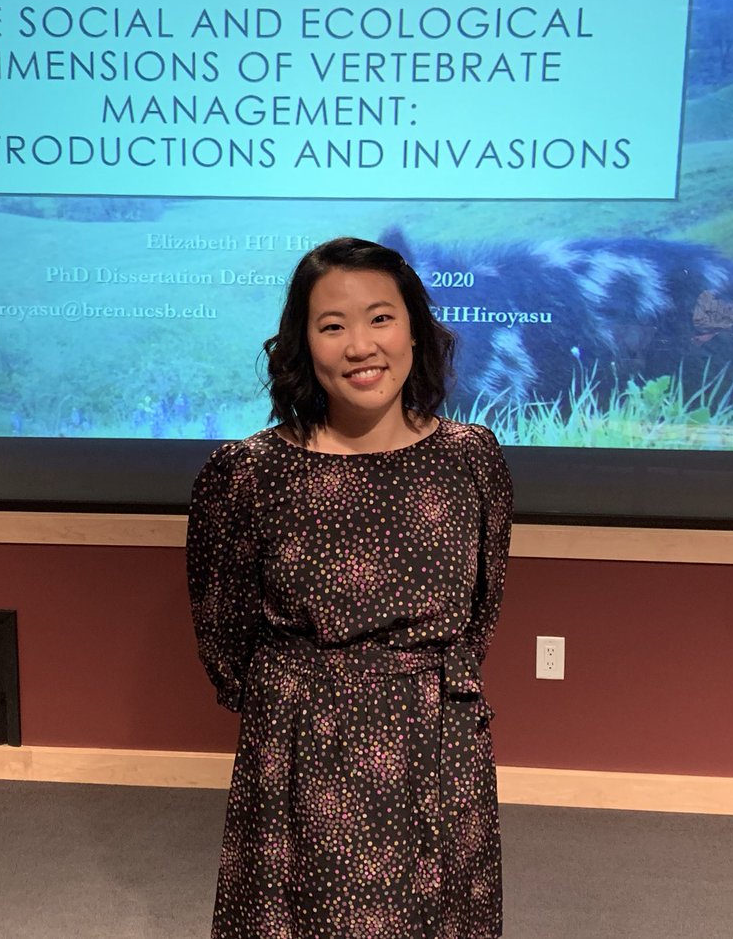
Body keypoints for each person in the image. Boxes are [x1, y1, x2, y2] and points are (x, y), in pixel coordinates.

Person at [187, 236, 513, 939]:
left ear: (416, 329)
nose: (361, 345)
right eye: (332, 326)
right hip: (300, 742)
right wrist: (299, 698)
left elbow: (481, 610)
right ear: (302, 346)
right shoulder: (249, 472)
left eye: (380, 319)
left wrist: (410, 685)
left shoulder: (471, 458)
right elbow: (224, 627)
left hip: (435, 739)